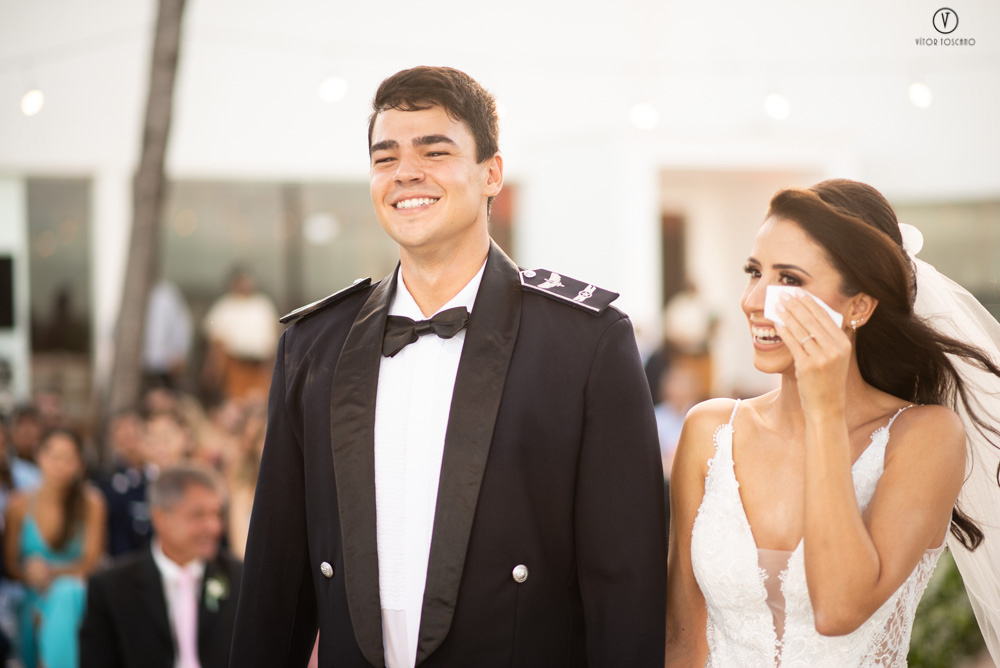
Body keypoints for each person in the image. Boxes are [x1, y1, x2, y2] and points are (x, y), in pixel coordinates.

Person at [231, 66, 667, 667]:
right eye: (385, 157)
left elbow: (625, 583)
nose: (405, 172)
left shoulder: (586, 343)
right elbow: (274, 581)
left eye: (434, 151)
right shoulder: (312, 345)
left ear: (492, 173)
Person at [665, 179, 1000, 666]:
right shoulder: (709, 431)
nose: (754, 300)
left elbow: (839, 609)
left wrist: (823, 409)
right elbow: (681, 639)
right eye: (754, 272)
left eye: (790, 280)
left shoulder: (924, 437)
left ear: (859, 306)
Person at [79, 464, 241, 668]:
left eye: (217, 514)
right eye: (198, 515)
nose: (214, 527)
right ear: (160, 518)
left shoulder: (240, 579)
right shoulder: (110, 588)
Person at [3, 429, 106, 668]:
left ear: (79, 464)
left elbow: (92, 563)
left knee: (66, 593)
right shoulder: (18, 504)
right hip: (31, 594)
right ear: (39, 456)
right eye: (53, 457)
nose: (60, 465)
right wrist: (30, 574)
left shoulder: (92, 503)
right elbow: (10, 565)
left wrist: (52, 573)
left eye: (68, 458)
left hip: (76, 596)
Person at [201, 268, 278, 402]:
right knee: (235, 402)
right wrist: (213, 368)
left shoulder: (263, 305)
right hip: (234, 365)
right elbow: (216, 341)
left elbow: (274, 336)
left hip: (259, 367)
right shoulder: (225, 306)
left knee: (259, 403)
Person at [98, 410, 154, 557]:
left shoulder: (157, 476)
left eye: (134, 433)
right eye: (123, 434)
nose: (130, 437)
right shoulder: (104, 479)